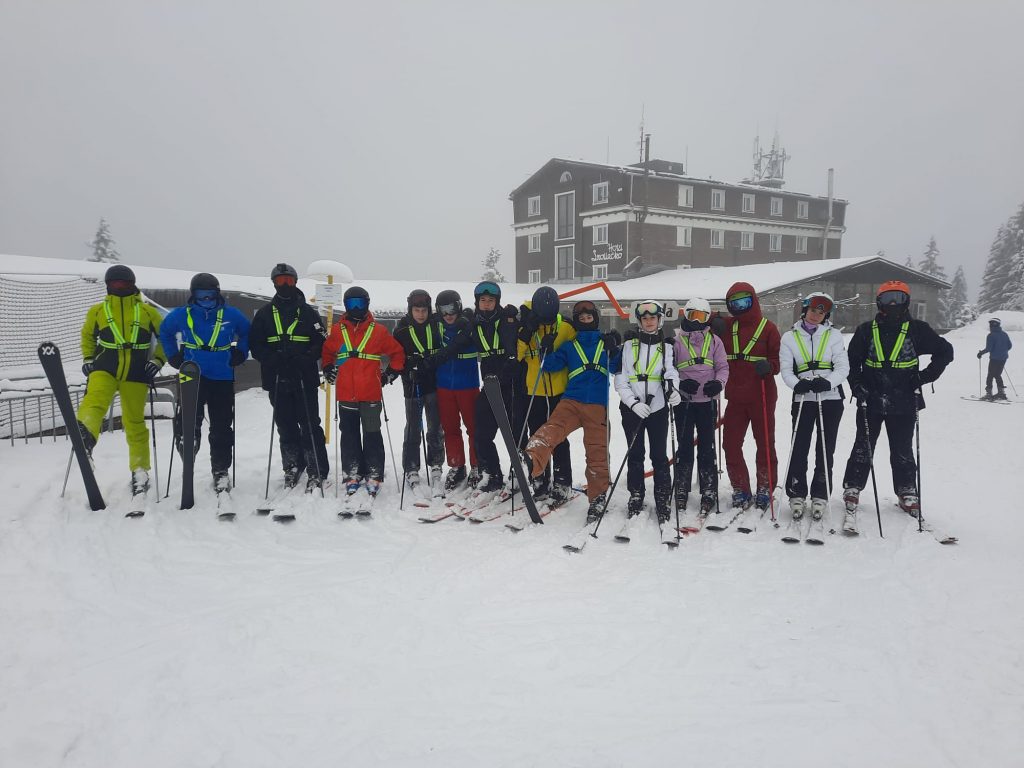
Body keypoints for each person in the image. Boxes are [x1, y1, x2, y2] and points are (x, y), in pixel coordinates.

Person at [841, 280, 954, 518]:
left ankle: (906, 490)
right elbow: (850, 362)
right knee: (863, 445)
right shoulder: (866, 330)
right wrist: (857, 385)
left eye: (899, 298)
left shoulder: (918, 329)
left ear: (907, 302)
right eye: (888, 298)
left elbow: (945, 352)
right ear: (879, 302)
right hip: (870, 398)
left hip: (904, 400)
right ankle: (853, 486)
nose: (893, 303)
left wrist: (924, 377)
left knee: (902, 449)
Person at [523, 300, 621, 523]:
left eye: (589, 317)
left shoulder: (604, 343)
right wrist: (546, 349)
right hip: (572, 401)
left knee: (597, 451)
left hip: (597, 405)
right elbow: (550, 366)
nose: (585, 321)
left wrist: (615, 348)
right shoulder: (570, 346)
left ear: (595, 319)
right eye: (581, 319)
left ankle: (598, 497)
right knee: (552, 429)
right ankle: (531, 458)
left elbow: (617, 367)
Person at [76, 265, 166, 498]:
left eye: (123, 284)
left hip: (136, 372)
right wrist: (88, 358)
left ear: (132, 284)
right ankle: (85, 436)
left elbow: (165, 338)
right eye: (114, 284)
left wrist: (157, 361)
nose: (119, 287)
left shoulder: (147, 312)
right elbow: (87, 335)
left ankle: (140, 471)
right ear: (108, 286)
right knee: (95, 401)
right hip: (104, 367)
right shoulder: (98, 311)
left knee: (134, 422)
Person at [159, 272, 250, 493]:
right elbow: (165, 331)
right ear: (193, 295)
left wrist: (241, 352)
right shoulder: (182, 314)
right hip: (192, 373)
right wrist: (172, 355)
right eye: (201, 295)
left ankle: (221, 470)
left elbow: (247, 332)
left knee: (221, 426)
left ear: (217, 294)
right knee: (188, 419)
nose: (206, 299)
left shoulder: (231, 314)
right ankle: (187, 448)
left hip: (222, 374)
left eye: (209, 295)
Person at [249, 263, 330, 491]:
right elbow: (255, 344)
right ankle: (293, 465)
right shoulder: (264, 314)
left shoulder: (308, 312)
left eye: (289, 281)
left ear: (295, 282)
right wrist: (271, 358)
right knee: (285, 424)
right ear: (274, 283)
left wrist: (306, 358)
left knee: (310, 423)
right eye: (280, 281)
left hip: (303, 376)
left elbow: (321, 341)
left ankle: (317, 467)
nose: (285, 285)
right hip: (277, 377)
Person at [322, 286, 405, 502]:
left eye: (360, 303)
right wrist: (328, 367)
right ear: (346, 305)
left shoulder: (378, 331)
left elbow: (397, 353)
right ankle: (352, 472)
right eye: (352, 304)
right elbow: (327, 352)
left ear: (367, 304)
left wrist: (390, 374)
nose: (356, 308)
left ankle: (374, 472)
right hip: (345, 393)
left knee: (372, 434)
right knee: (349, 434)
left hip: (370, 393)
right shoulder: (338, 331)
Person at [779, 292, 849, 523]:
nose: (816, 315)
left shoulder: (834, 335)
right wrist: (796, 384)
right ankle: (796, 493)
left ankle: (820, 494)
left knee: (825, 448)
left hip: (830, 397)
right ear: (805, 310)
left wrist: (828, 382)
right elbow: (786, 370)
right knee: (799, 447)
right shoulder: (789, 337)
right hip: (803, 398)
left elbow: (843, 367)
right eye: (813, 310)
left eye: (822, 312)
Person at [716, 282, 781, 511]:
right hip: (735, 397)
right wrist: (714, 320)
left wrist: (770, 366)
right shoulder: (727, 326)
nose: (740, 307)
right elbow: (702, 322)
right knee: (730, 444)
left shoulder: (768, 328)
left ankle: (765, 486)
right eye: (734, 303)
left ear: (753, 300)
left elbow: (778, 360)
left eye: (744, 301)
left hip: (761, 396)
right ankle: (740, 487)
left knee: (764, 443)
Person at [614, 300, 680, 523]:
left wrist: (673, 390)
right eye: (645, 318)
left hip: (657, 408)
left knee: (659, 455)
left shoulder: (667, 348)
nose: (649, 322)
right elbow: (621, 380)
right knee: (635, 454)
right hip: (632, 409)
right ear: (639, 321)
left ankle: (662, 496)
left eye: (653, 318)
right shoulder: (628, 346)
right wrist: (633, 403)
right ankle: (636, 494)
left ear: (659, 320)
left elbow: (671, 373)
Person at [516, 285, 576, 505]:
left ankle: (563, 482)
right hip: (535, 390)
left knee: (559, 437)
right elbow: (517, 356)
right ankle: (540, 478)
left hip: (559, 391)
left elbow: (580, 349)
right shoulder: (526, 324)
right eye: (543, 318)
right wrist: (526, 333)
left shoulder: (566, 327)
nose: (547, 322)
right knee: (537, 436)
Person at [671, 298, 729, 517]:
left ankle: (709, 489)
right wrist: (679, 383)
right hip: (684, 401)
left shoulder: (714, 341)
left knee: (707, 446)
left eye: (701, 317)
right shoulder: (676, 341)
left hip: (707, 401)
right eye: (693, 316)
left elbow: (723, 366)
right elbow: (669, 369)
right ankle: (682, 487)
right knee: (684, 445)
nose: (697, 321)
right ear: (686, 315)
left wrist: (719, 383)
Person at [467, 280, 520, 495]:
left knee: (516, 434)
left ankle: (521, 473)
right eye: (483, 300)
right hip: (489, 384)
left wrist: (520, 317)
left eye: (491, 300)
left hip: (510, 384)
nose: (487, 304)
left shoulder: (507, 319)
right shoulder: (474, 323)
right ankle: (491, 473)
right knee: (481, 433)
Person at [392, 289, 445, 500]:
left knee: (435, 426)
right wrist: (407, 367)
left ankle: (436, 464)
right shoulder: (401, 329)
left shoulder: (437, 324)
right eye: (417, 310)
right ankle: (411, 466)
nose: (421, 314)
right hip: (412, 384)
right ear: (410, 310)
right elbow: (396, 357)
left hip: (433, 383)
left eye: (424, 310)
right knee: (413, 427)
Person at [428, 289, 481, 493]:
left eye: (451, 309)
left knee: (473, 428)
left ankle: (477, 465)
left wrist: (470, 321)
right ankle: (457, 465)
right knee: (450, 428)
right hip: (444, 386)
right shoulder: (437, 327)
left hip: (467, 385)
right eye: (443, 310)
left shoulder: (469, 326)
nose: (448, 314)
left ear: (458, 307)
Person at [978, 317, 1012, 400]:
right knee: (997, 375)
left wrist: (980, 353)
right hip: (1003, 358)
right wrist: (1002, 351)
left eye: (990, 324)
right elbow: (1009, 346)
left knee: (990, 375)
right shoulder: (1004, 334)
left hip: (994, 359)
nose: (990, 326)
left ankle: (989, 394)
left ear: (992, 325)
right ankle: (1001, 393)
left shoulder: (991, 335)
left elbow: (988, 348)